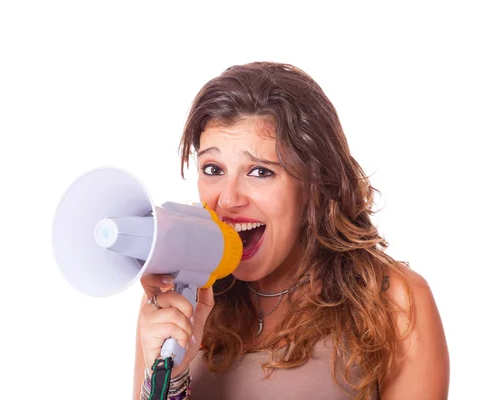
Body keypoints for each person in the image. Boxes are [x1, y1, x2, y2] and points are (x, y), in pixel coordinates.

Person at [132, 62, 450, 399]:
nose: (226, 200)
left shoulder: (394, 300)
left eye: (259, 172)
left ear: (314, 183)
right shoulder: (176, 300)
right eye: (213, 169)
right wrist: (170, 374)